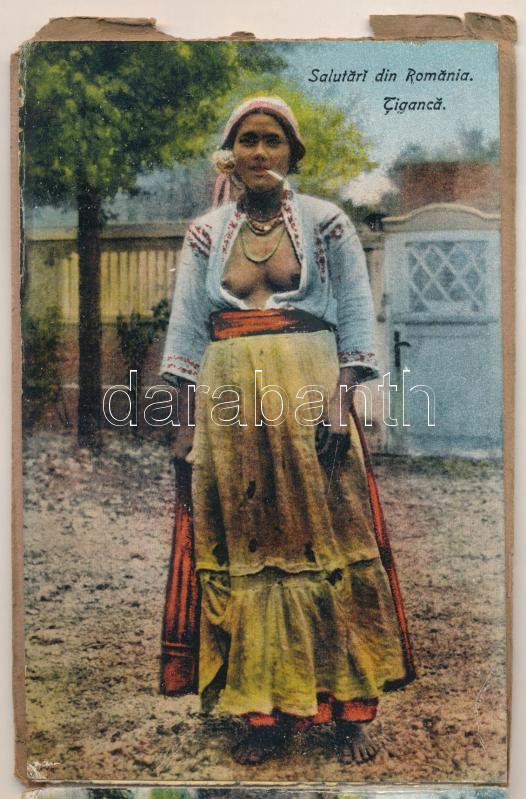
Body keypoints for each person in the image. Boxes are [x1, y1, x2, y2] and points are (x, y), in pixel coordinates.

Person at [160, 96, 415, 766]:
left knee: (331, 542)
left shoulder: (327, 223)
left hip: (310, 399)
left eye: (272, 140)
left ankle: (348, 710)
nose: (260, 152)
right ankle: (263, 712)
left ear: (293, 153)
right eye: (247, 140)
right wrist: (183, 429)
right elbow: (186, 332)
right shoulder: (206, 233)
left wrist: (339, 402)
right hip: (229, 408)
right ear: (231, 154)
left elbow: (355, 316)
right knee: (248, 550)